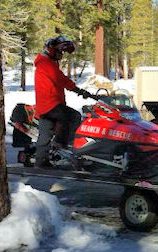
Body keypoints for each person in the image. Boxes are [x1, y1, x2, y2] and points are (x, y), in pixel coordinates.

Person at [34, 35, 91, 168]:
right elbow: (60, 79)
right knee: (74, 116)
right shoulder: (45, 63)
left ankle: (40, 162)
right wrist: (78, 90)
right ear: (52, 50)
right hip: (51, 104)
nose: (61, 55)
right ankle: (62, 145)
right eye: (60, 52)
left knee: (45, 135)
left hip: (45, 106)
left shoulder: (45, 62)